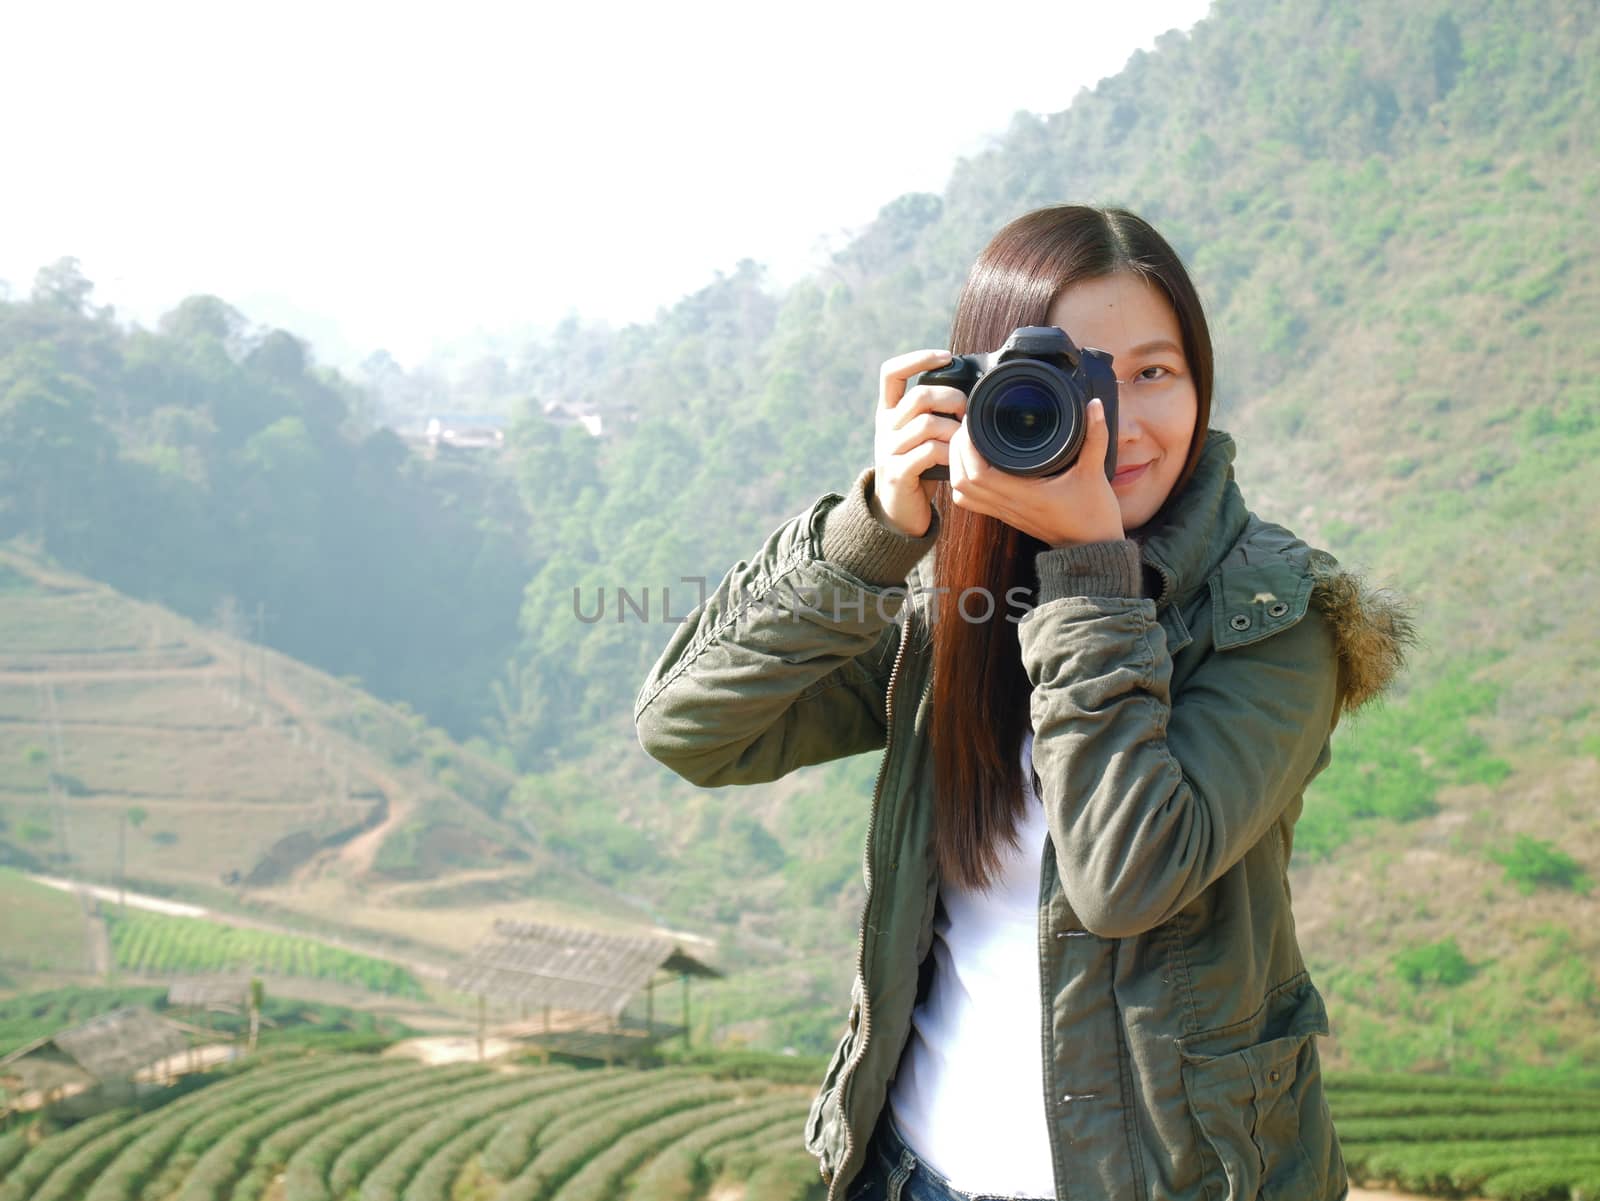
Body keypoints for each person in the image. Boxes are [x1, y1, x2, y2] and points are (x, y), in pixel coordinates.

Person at [634, 205, 1414, 1201]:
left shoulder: (1271, 610)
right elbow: (690, 727)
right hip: (912, 1171)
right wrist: (872, 531)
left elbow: (1129, 878)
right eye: (1079, 381)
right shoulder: (953, 600)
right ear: (988, 393)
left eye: (1153, 372)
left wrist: (1091, 576)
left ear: (1200, 380)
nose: (1119, 425)